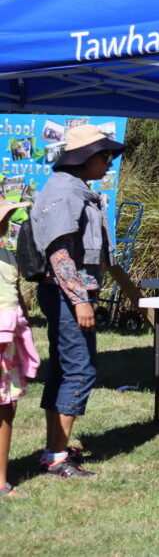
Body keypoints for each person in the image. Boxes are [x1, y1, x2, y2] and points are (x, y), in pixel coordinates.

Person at [32, 124, 123, 477]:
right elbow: (58, 252)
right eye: (105, 157)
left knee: (62, 369)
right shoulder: (66, 193)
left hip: (65, 294)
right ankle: (56, 456)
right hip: (67, 294)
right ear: (86, 158)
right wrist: (80, 300)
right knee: (81, 371)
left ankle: (53, 448)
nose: (109, 164)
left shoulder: (72, 189)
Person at [0, 200, 40, 498]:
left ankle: (0, 479)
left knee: (8, 406)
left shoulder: (6, 253)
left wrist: (23, 320)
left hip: (8, 342)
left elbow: (13, 292)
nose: (6, 222)